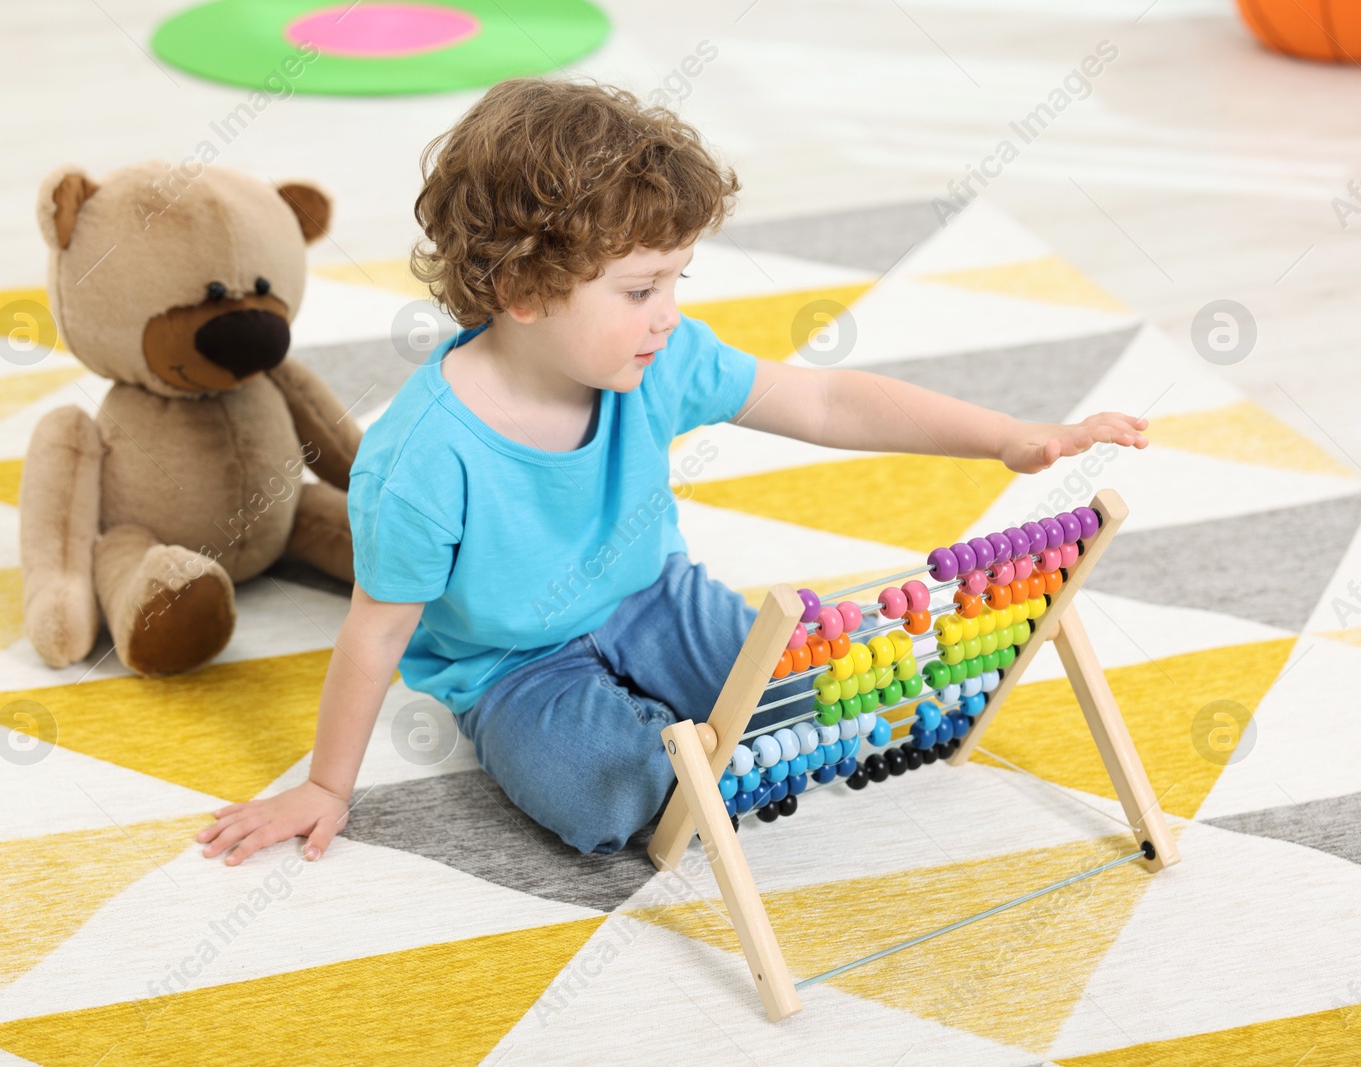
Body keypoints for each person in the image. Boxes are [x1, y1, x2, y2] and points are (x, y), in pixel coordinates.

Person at [198, 76, 1148, 865]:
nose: (668, 313)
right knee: (607, 796)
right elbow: (375, 632)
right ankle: (647, 746)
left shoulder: (658, 357)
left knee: (804, 703)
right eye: (641, 289)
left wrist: (1008, 438)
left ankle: (687, 727)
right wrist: (327, 784)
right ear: (524, 290)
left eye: (676, 280)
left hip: (650, 594)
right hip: (510, 663)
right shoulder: (422, 459)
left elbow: (823, 403)